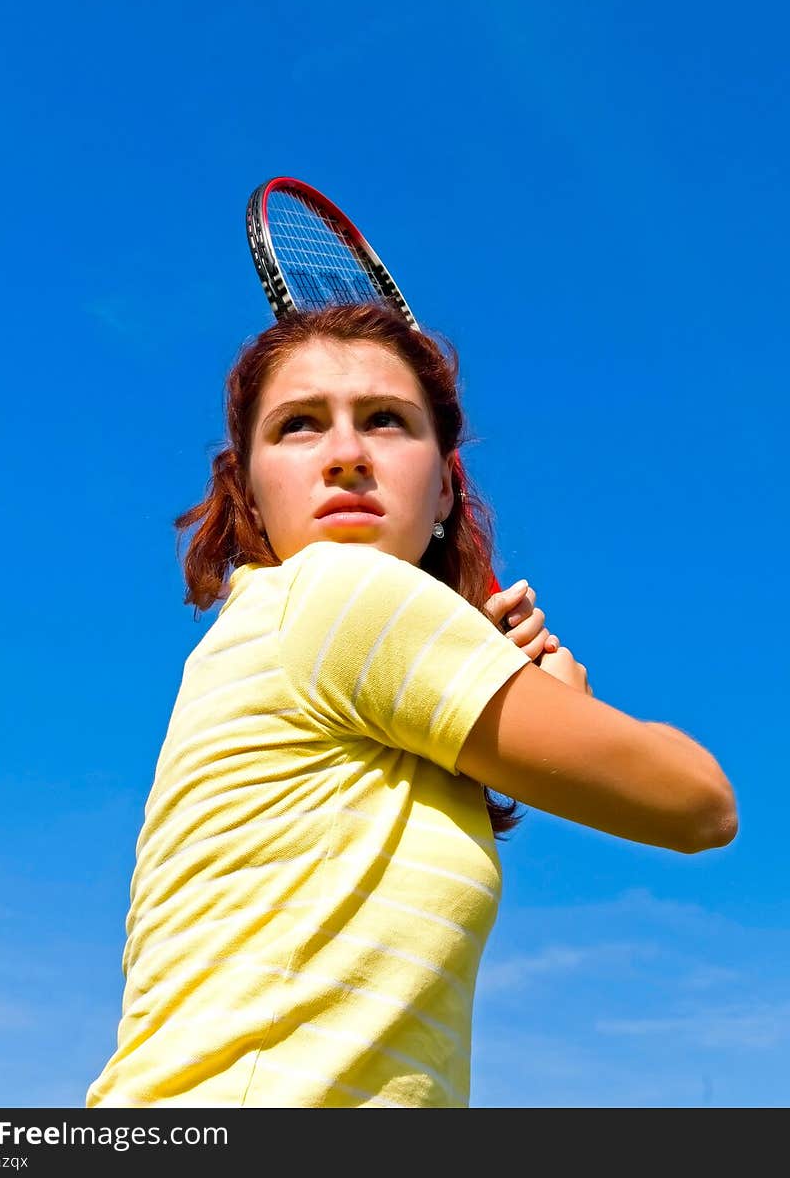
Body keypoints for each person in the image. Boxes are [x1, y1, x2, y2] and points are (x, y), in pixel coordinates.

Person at [86, 302, 736, 1110]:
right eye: (299, 425)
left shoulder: (304, 641)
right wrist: (572, 702)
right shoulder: (337, 596)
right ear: (249, 498)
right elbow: (700, 803)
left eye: (387, 420)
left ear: (443, 494)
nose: (347, 454)